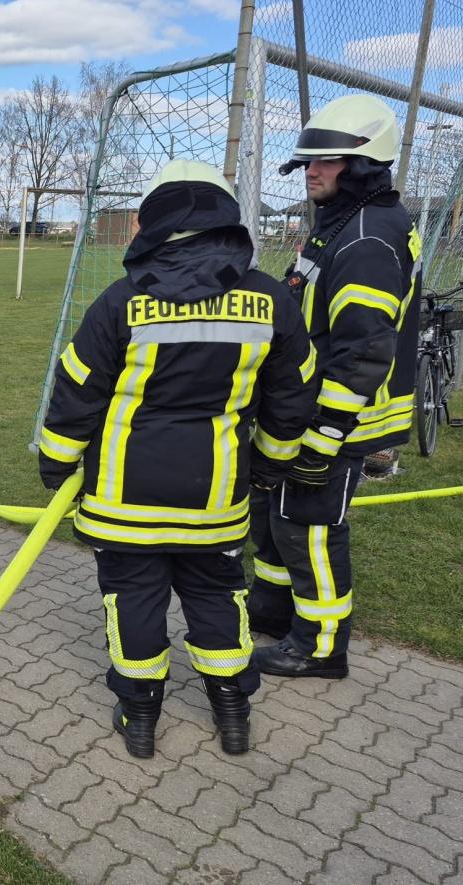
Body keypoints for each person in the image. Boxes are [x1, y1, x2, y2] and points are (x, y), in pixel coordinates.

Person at [39, 159, 315, 758]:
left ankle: (139, 719)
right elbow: (294, 396)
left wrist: (56, 464)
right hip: (214, 501)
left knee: (133, 603)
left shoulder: (122, 300)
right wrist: (271, 463)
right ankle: (232, 712)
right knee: (219, 598)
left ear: (152, 222)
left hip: (123, 499)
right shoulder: (270, 300)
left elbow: (76, 388)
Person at [248, 94, 421, 679]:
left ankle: (319, 648)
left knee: (310, 529)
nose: (310, 172)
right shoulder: (347, 220)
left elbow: (364, 351)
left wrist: (324, 435)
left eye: (327, 161)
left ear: (366, 164)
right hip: (307, 409)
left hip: (337, 419)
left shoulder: (368, 239)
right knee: (277, 521)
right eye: (308, 161)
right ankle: (273, 611)